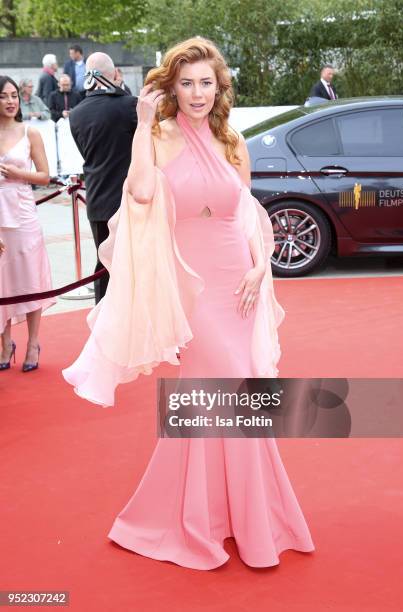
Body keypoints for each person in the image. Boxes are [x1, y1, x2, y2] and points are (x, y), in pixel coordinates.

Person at [62, 38, 315, 570]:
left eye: (207, 82)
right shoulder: (159, 136)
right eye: (187, 82)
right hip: (193, 287)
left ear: (218, 87)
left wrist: (260, 264)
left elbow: (248, 215)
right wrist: (141, 122)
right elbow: (140, 194)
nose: (198, 93)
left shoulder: (232, 141)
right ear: (171, 87)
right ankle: (222, 523)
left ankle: (233, 516)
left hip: (238, 283)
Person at [68, 52, 137, 303]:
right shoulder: (129, 105)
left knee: (103, 264)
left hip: (97, 199)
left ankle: (102, 322)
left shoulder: (76, 114)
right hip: (131, 200)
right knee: (135, 264)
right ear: (115, 73)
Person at [0, 76, 56, 372]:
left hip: (22, 213)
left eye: (14, 96)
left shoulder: (30, 132)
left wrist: (17, 174)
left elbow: (45, 176)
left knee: (29, 278)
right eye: (4, 96)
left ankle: (33, 342)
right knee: (1, 280)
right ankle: (5, 343)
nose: (11, 101)